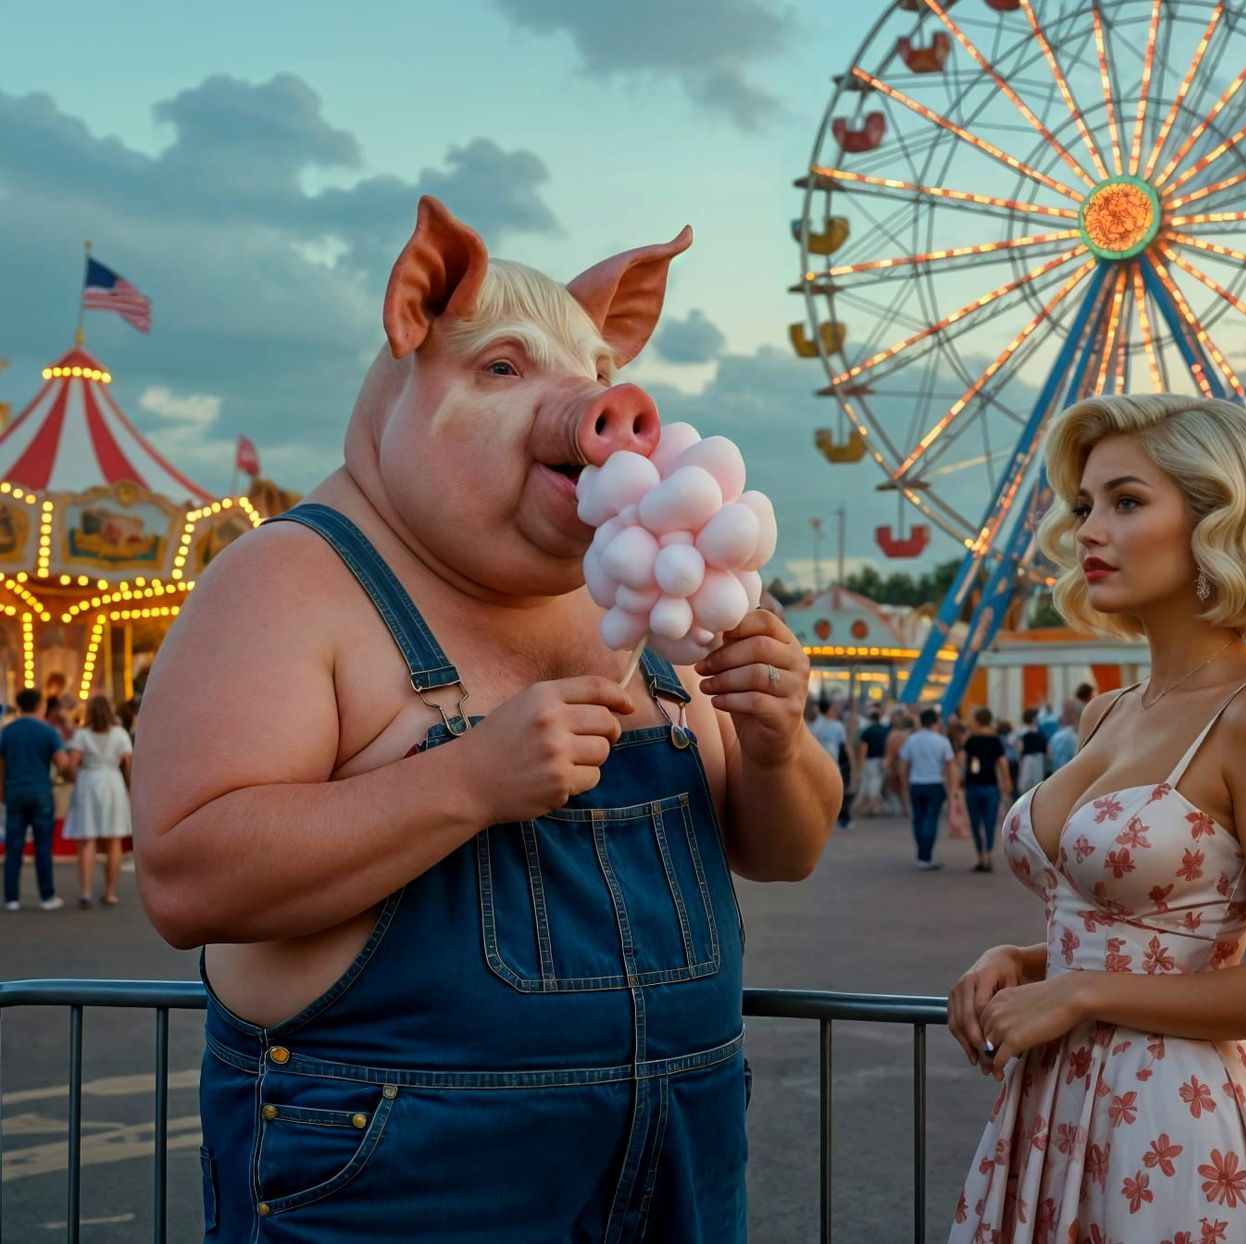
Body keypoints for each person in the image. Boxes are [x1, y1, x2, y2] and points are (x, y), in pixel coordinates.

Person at [131, 196, 838, 1240]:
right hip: (400, 1177)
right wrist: (463, 781)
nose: (593, 408)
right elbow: (186, 875)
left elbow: (785, 849)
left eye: (598, 374)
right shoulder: (289, 582)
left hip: (679, 1160)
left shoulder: (649, 584)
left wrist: (779, 741)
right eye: (503, 369)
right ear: (413, 327)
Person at [946, 393, 1246, 1241]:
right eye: (1086, 505)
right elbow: (1120, 923)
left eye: (1128, 503)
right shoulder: (1108, 712)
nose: (1089, 530)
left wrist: (1083, 992)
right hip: (1049, 1103)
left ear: (1218, 520)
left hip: (1168, 1118)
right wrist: (1020, 960)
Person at [1, 687, 71, 912]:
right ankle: (46, 895)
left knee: (14, 847)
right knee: (42, 846)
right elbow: (62, 763)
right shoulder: (47, 731)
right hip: (41, 791)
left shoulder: (7, 732)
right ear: (40, 705)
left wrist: (2, 791)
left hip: (14, 792)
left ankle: (11, 898)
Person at [63, 693, 135, 908]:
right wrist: (130, 788)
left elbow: (72, 766)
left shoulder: (81, 735)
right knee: (114, 841)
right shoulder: (121, 734)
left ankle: (85, 893)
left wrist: (77, 780)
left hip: (88, 782)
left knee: (87, 840)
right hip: (112, 782)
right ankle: (110, 892)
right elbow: (129, 766)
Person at [901, 707, 957, 870]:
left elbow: (904, 763)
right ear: (936, 722)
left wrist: (905, 783)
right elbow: (950, 767)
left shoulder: (912, 740)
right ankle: (926, 856)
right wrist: (952, 789)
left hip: (916, 783)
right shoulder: (942, 741)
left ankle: (921, 854)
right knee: (931, 819)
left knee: (918, 818)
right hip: (935, 783)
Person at [960, 708, 1011, 873]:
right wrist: (1007, 782)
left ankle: (981, 856)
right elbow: (1003, 763)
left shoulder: (971, 741)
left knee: (976, 824)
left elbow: (961, 761)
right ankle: (988, 854)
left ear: (977, 721)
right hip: (991, 786)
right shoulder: (995, 741)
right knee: (989, 823)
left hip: (973, 786)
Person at [809, 698, 852, 829]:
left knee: (818, 791)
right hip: (833, 762)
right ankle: (842, 818)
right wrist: (852, 762)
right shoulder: (837, 726)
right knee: (837, 790)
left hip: (817, 762)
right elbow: (844, 745)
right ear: (828, 710)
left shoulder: (814, 725)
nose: (835, 711)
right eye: (833, 708)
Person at [855, 707, 891, 817]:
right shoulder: (885, 730)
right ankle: (872, 807)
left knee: (868, 783)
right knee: (876, 782)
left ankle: (869, 807)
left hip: (869, 760)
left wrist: (861, 763)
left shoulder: (867, 731)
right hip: (882, 759)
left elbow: (863, 748)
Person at [1016, 708, 1048, 794]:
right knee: (1031, 783)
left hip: (1034, 758)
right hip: (1031, 758)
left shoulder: (1033, 731)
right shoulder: (1026, 732)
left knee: (1032, 784)